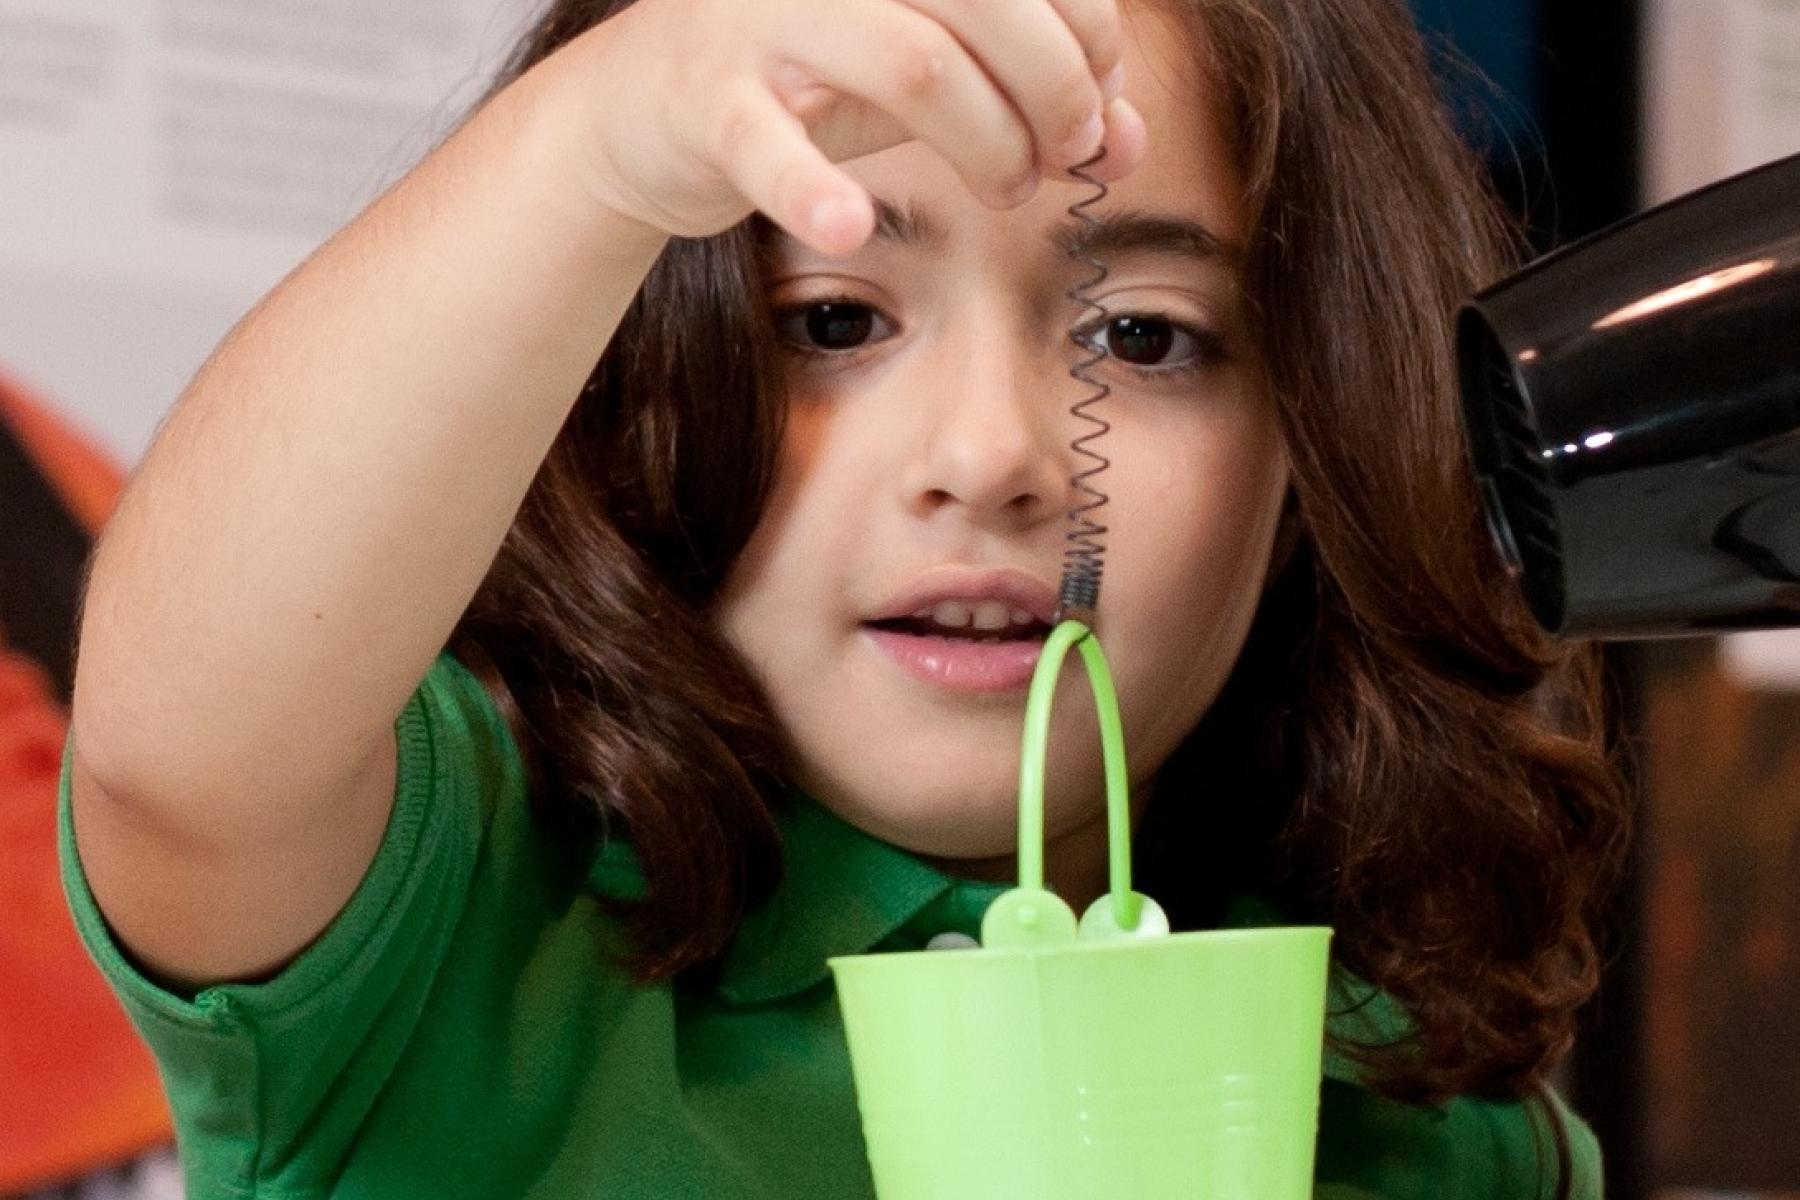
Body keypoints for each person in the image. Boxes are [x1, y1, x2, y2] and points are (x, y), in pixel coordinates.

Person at [58, 0, 1628, 1196]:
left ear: (1320, 441)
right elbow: (179, 754)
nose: (994, 456)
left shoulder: (1429, 1113)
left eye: (1142, 339)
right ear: (612, 380)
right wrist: (589, 145)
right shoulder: (460, 929)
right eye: (831, 317)